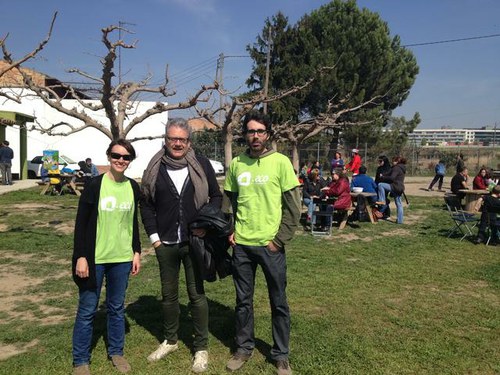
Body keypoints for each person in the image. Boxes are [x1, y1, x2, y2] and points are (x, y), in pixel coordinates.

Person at [140, 118, 222, 373]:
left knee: (196, 295)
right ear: (165, 139)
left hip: (194, 242)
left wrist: (206, 224)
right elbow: (146, 203)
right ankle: (171, 340)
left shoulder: (201, 164)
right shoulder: (155, 167)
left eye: (182, 139)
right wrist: (154, 237)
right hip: (165, 243)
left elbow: (217, 196)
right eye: (172, 138)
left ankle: (200, 347)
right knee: (169, 295)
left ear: (189, 142)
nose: (177, 143)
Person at [223, 110, 300, 375]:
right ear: (244, 134)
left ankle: (281, 354)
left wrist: (279, 240)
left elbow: (293, 209)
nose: (255, 136)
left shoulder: (280, 162)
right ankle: (244, 348)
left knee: (278, 301)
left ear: (268, 134)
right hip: (242, 247)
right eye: (250, 131)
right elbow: (228, 201)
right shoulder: (236, 164)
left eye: (260, 131)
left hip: (270, 247)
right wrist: (230, 230)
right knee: (243, 301)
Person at [71, 139, 142, 375]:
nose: (120, 160)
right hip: (95, 258)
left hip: (121, 258)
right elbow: (81, 223)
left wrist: (136, 252)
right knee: (87, 309)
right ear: (108, 156)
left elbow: (132, 222)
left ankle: (116, 352)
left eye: (126, 157)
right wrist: (81, 256)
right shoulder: (94, 185)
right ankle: (81, 360)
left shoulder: (133, 187)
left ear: (130, 161)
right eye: (116, 156)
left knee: (116, 307)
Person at [376, 156, 407, 224]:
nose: (392, 162)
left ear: (396, 161)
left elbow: (392, 178)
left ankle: (382, 201)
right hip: (400, 188)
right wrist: (384, 174)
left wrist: (383, 177)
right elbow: (390, 173)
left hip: (395, 186)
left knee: (380, 185)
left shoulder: (396, 168)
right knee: (399, 204)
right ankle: (400, 221)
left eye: (393, 161)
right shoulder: (401, 168)